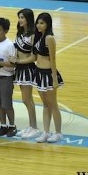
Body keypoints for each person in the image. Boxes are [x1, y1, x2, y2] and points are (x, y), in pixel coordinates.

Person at [33, 12, 64, 143]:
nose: (39, 25)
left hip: (48, 75)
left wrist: (55, 78)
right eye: (38, 22)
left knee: (53, 105)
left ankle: (58, 132)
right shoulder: (39, 36)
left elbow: (53, 59)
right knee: (45, 105)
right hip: (39, 74)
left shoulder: (49, 38)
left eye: (42, 23)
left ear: (48, 24)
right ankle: (46, 131)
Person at [10, 8, 40, 138]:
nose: (20, 20)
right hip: (20, 70)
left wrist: (19, 62)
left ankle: (34, 128)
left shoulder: (33, 35)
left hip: (27, 69)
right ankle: (30, 126)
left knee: (27, 100)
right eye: (19, 17)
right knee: (26, 100)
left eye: (22, 17)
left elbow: (34, 57)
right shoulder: (20, 33)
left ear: (28, 18)